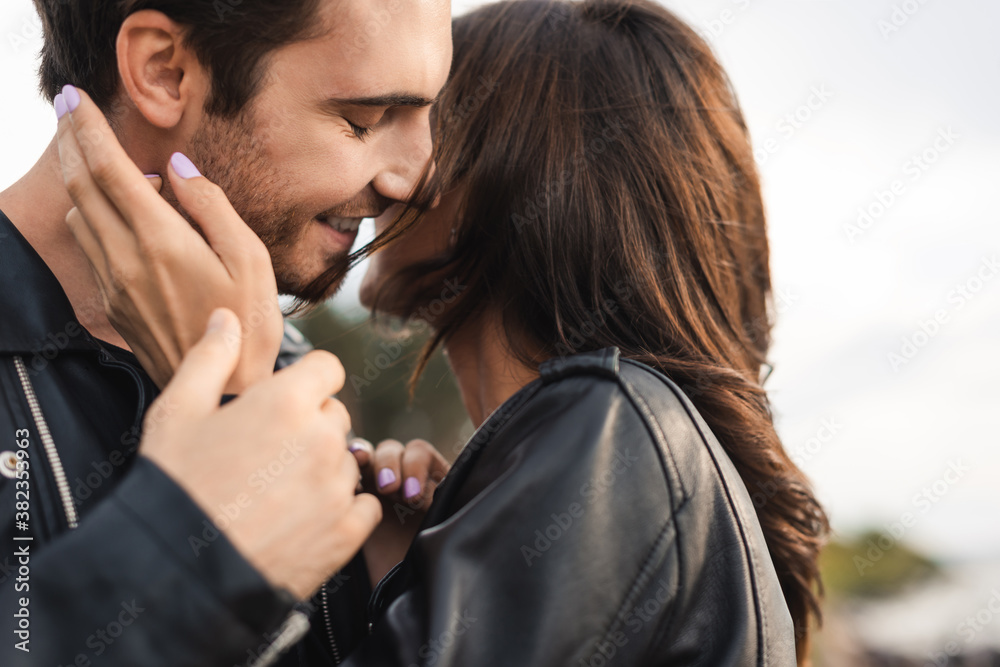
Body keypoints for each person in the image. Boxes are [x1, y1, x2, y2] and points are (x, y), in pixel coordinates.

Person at [55, 0, 830, 665]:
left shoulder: (607, 425)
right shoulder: (611, 439)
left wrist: (236, 397)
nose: (402, 173)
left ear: (532, 180)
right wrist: (402, 568)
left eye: (436, 123)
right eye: (370, 119)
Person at [0, 0, 452, 665]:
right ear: (163, 72)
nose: (420, 181)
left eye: (430, 116)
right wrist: (194, 555)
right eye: (364, 120)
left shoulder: (286, 369)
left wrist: (386, 590)